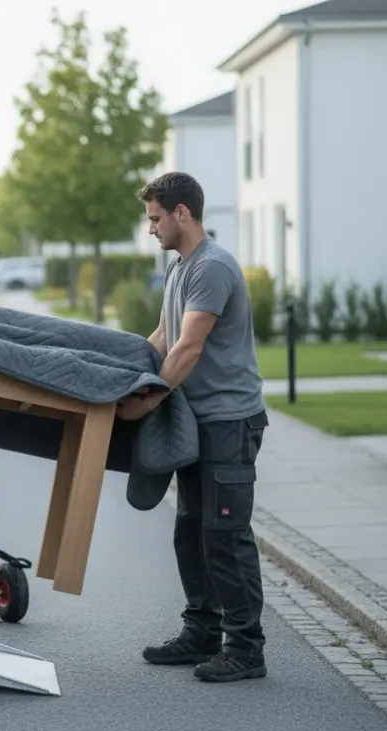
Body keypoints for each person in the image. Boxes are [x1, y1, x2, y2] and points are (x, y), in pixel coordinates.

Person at [119, 171, 270, 682]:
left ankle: (246, 648)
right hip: (199, 423)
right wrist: (125, 374)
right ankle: (202, 631)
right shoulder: (181, 269)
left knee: (225, 535)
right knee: (191, 532)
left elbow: (189, 347)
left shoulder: (212, 268)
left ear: (183, 213)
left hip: (230, 422)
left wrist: (145, 404)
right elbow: (163, 335)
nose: (152, 229)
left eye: (156, 219)